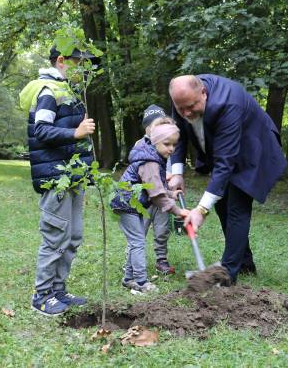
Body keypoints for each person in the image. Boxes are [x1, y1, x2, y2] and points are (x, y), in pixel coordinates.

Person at [167, 74, 287, 284]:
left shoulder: (228, 103)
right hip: (225, 151)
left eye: (191, 106)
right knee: (222, 205)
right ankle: (245, 264)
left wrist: (201, 210)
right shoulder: (182, 96)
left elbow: (225, 164)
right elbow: (178, 134)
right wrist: (177, 172)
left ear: (203, 93)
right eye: (180, 108)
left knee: (236, 207)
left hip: (253, 150)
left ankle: (227, 273)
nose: (186, 113)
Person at [19, 46, 96, 316]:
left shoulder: (68, 91)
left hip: (72, 177)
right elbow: (41, 130)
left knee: (73, 236)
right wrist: (76, 132)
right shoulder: (48, 92)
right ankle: (41, 295)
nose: (84, 69)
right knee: (56, 236)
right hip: (55, 177)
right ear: (61, 61)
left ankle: (58, 290)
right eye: (79, 63)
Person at [111, 123, 188, 293]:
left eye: (174, 144)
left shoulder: (154, 158)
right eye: (167, 144)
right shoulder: (150, 163)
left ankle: (129, 279)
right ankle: (140, 282)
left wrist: (170, 193)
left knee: (135, 242)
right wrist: (178, 211)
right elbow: (156, 195)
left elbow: (153, 187)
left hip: (134, 204)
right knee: (138, 242)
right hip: (126, 203)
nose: (171, 149)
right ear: (155, 142)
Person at [140, 104, 177, 274]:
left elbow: (170, 167)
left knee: (162, 231)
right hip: (143, 200)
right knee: (139, 232)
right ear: (148, 129)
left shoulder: (167, 146)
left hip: (162, 198)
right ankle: (132, 261)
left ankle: (161, 259)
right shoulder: (140, 147)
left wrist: (171, 175)